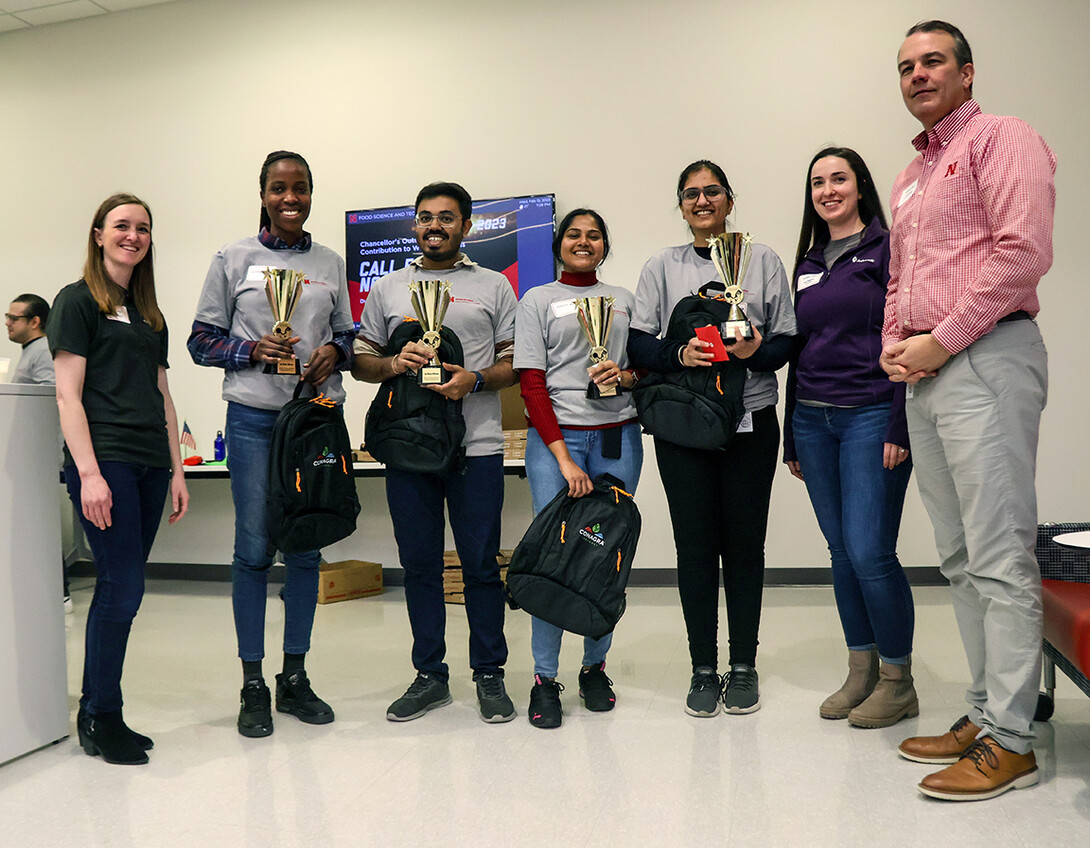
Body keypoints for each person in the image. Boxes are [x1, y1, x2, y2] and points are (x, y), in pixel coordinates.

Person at [880, 21, 1055, 801]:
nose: (918, 75)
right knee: (957, 557)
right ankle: (986, 714)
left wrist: (940, 341)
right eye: (906, 66)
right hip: (926, 372)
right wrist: (895, 344)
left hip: (984, 358)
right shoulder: (912, 176)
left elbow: (1022, 254)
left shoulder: (1001, 137)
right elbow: (901, 277)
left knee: (999, 554)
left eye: (932, 61)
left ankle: (1013, 740)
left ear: (967, 71)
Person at [189, 150, 355, 738]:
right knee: (255, 550)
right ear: (262, 193)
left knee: (306, 547)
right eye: (280, 188)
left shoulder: (331, 262)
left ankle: (295, 676)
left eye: (301, 188)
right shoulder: (233, 258)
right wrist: (251, 350)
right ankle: (253, 683)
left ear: (311, 194)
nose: (292, 198)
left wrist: (336, 351)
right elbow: (200, 341)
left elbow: (348, 338)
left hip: (313, 419)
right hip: (256, 421)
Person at [629, 160, 796, 717]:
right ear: (681, 207)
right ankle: (703, 667)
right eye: (691, 195)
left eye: (712, 192)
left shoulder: (764, 260)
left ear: (730, 199)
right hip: (685, 426)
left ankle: (743, 666)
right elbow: (637, 345)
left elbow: (786, 343)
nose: (702, 202)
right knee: (695, 549)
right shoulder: (661, 266)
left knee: (745, 547)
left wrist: (754, 351)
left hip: (751, 421)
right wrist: (679, 354)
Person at [352, 181, 518, 724]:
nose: (434, 226)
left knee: (481, 568)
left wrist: (474, 381)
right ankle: (430, 676)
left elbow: (515, 363)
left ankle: (489, 675)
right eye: (425, 217)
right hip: (409, 450)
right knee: (419, 566)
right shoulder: (388, 289)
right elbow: (361, 361)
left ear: (467, 226)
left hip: (478, 447)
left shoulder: (494, 286)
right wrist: (396, 363)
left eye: (447, 218)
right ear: (414, 226)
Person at [50, 193, 189, 765]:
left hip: (152, 463)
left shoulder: (150, 314)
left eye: (143, 228)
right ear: (99, 234)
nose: (133, 236)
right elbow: (67, 394)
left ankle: (106, 711)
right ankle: (99, 716)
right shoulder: (76, 301)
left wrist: (179, 467)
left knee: (123, 591)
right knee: (120, 587)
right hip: (104, 461)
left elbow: (162, 394)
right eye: (122, 226)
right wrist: (88, 474)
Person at [784, 147, 915, 728]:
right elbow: (799, 348)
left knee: (870, 551)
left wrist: (898, 422)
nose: (828, 189)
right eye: (818, 182)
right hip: (813, 420)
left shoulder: (888, 248)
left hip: (869, 415)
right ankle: (860, 669)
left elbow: (909, 333)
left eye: (839, 178)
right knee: (840, 552)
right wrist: (792, 434)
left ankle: (897, 678)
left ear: (860, 186)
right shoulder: (808, 260)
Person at [512, 208, 643, 728]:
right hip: (556, 443)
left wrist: (627, 375)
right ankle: (545, 677)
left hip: (618, 437)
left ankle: (594, 667)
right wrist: (563, 457)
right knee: (554, 558)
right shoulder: (537, 300)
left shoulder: (626, 301)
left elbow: (644, 369)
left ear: (605, 245)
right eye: (573, 234)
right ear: (558, 244)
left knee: (603, 554)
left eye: (593, 235)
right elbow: (531, 383)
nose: (583, 242)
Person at [7, 294, 55, 385]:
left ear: (34, 322)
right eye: (8, 317)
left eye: (13, 318)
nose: (7, 323)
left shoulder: (44, 351)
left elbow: (49, 393)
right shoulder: (34, 348)